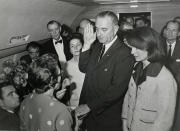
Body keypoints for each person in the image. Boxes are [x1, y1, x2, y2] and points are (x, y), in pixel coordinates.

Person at [75, 11, 134, 131]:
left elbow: (116, 89)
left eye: (104, 29)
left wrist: (89, 106)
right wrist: (86, 44)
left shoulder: (124, 53)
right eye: (97, 29)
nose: (99, 34)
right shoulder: (97, 46)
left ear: (116, 29)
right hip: (89, 112)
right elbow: (83, 68)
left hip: (106, 115)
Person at [122, 27, 177, 131]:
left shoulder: (165, 77)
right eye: (132, 48)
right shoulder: (136, 67)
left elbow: (165, 119)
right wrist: (125, 122)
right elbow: (128, 98)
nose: (132, 52)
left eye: (137, 48)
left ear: (150, 47)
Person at [19, 66, 73, 131]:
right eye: (59, 74)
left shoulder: (25, 101)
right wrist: (76, 122)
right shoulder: (62, 111)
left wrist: (55, 98)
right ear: (52, 80)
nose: (61, 76)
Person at [163, 20, 180, 131]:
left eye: (174, 30)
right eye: (168, 29)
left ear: (179, 33)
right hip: (159, 90)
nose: (170, 32)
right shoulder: (156, 46)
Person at [66, 33, 85, 109]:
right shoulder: (67, 65)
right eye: (72, 46)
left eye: (78, 44)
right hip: (74, 102)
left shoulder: (90, 62)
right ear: (70, 50)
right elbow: (67, 86)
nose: (76, 48)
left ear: (83, 46)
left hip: (88, 101)